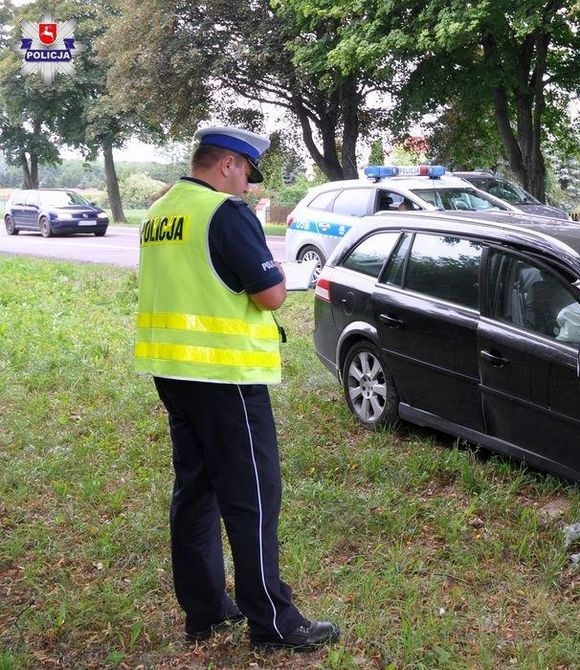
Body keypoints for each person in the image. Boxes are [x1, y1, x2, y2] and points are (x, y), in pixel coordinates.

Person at [134, 126, 340, 652]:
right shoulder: (224, 213)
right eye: (247, 173)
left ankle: (204, 611)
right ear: (227, 164)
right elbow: (270, 295)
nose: (248, 186)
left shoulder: (160, 213)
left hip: (173, 372)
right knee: (252, 498)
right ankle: (272, 623)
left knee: (196, 492)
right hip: (226, 379)